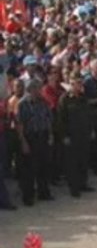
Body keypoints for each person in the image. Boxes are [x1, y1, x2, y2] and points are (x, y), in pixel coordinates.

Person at [17, 78, 54, 206]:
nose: (39, 91)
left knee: (43, 165)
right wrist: (23, 142)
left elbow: (48, 119)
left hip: (42, 135)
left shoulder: (43, 102)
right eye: (37, 89)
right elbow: (20, 124)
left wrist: (50, 135)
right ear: (31, 89)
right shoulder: (22, 104)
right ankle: (28, 196)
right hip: (30, 137)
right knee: (29, 169)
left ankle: (44, 192)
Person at [57, 72, 94, 198]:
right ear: (70, 83)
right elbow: (60, 120)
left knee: (83, 160)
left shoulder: (83, 98)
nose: (77, 86)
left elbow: (88, 116)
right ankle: (74, 188)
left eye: (79, 83)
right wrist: (64, 136)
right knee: (72, 163)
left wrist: (91, 130)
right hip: (71, 136)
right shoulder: (64, 99)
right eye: (74, 83)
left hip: (83, 134)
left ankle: (83, 184)